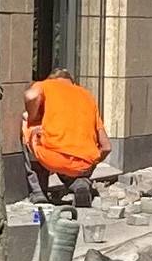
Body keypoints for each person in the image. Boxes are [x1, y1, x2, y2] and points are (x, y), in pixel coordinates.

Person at [23, 69, 109, 205]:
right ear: (72, 82)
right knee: (70, 160)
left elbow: (31, 96)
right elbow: (107, 147)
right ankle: (81, 182)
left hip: (53, 158)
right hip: (82, 164)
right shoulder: (87, 95)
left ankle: (38, 192)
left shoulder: (46, 85)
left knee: (28, 126)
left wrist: (32, 117)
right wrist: (91, 165)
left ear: (51, 79)